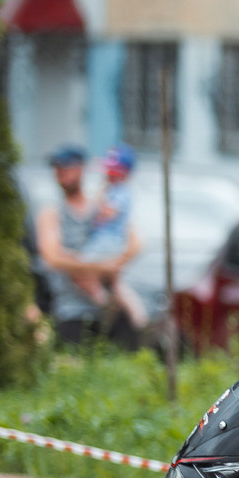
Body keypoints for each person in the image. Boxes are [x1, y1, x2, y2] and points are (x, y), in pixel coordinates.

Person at [34, 145, 140, 346]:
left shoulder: (100, 206)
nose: (60, 174)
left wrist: (113, 263)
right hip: (71, 310)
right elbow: (52, 258)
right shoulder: (51, 211)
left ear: (81, 169)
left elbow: (136, 243)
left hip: (109, 309)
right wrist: (100, 267)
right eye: (57, 169)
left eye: (66, 168)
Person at [81, 147, 149, 335]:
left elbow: (109, 213)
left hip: (106, 243)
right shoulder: (118, 190)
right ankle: (138, 318)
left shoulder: (121, 192)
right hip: (109, 242)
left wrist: (99, 199)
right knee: (117, 284)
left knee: (81, 269)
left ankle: (105, 303)